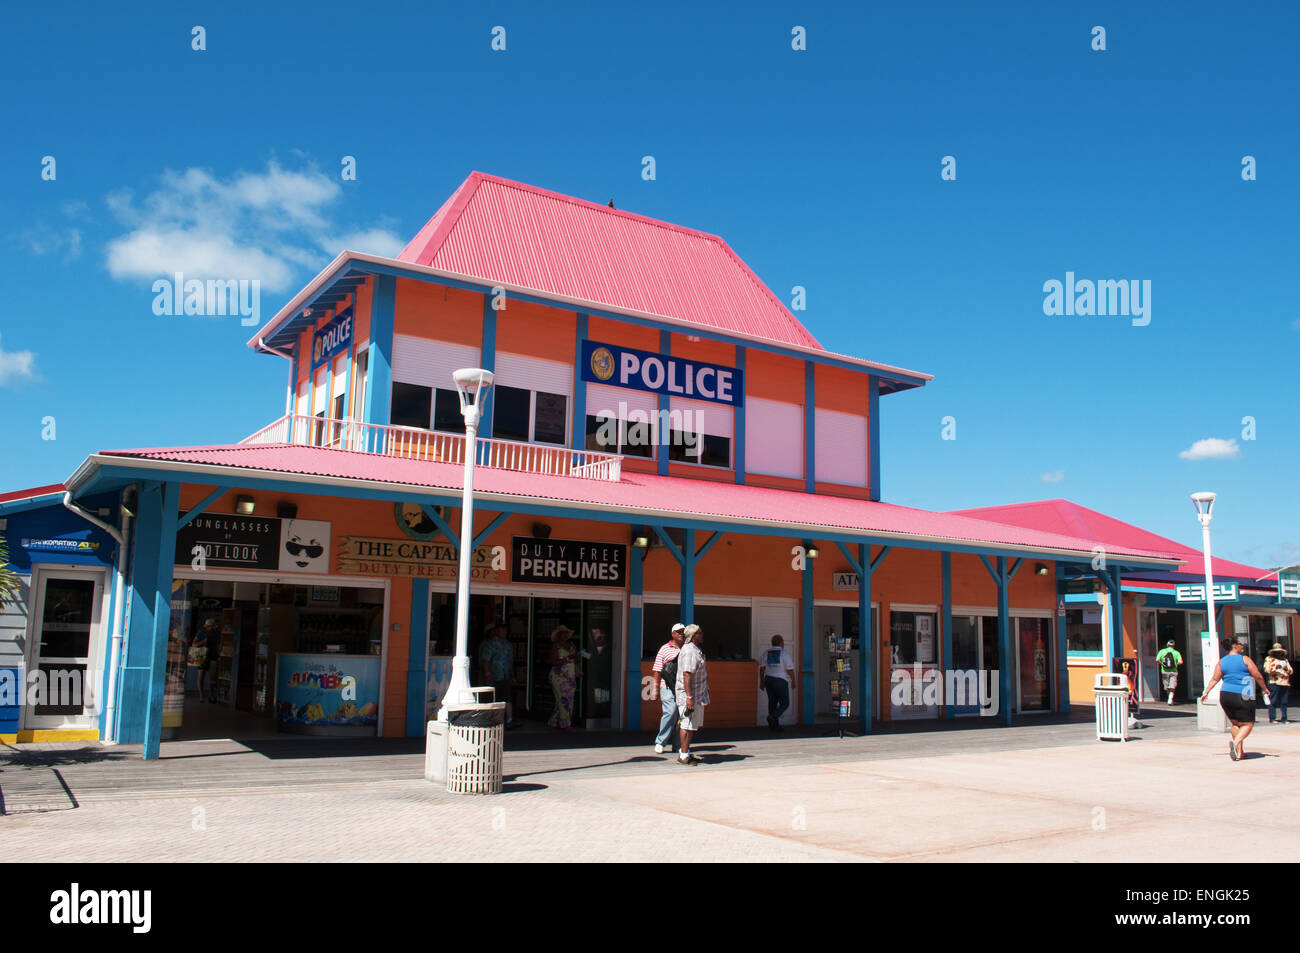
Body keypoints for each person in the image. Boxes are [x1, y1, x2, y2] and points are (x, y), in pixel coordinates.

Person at [1201, 638, 1270, 761]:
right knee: (1248, 723)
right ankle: (1236, 742)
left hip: (1226, 695)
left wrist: (1206, 692)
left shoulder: (1222, 661)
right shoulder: (1244, 659)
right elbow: (1258, 676)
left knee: (1236, 723)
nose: (1241, 645)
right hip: (1244, 694)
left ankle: (1240, 752)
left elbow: (1215, 679)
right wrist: (1264, 689)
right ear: (1234, 646)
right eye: (1239, 643)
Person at [675, 624, 708, 765]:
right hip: (689, 696)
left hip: (697, 695)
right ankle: (683, 756)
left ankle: (686, 752)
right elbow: (687, 674)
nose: (702, 634)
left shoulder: (695, 650)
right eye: (699, 633)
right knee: (686, 725)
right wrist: (689, 698)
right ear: (693, 636)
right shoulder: (689, 651)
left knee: (691, 725)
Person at [651, 623, 685, 753]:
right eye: (678, 632)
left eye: (683, 632)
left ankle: (678, 745)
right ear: (672, 634)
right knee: (670, 712)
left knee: (681, 716)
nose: (681, 634)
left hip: (682, 687)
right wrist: (655, 689)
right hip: (667, 686)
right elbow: (657, 670)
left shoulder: (687, 648)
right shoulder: (664, 649)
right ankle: (661, 741)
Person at [480, 624, 515, 726]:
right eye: (502, 630)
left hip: (505, 675)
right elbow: (486, 661)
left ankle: (509, 719)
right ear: (496, 631)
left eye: (505, 630)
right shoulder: (490, 645)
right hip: (494, 675)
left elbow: (510, 661)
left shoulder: (508, 645)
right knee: (494, 698)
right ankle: (494, 720)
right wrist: (487, 674)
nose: (504, 632)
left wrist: (512, 675)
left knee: (507, 698)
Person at [759, 634, 795, 731]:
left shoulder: (766, 653)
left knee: (772, 703)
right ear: (781, 643)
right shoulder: (784, 653)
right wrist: (793, 681)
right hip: (780, 681)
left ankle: (774, 726)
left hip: (769, 680)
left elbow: (762, 669)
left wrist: (762, 682)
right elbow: (790, 670)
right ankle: (773, 716)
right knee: (785, 703)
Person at [548, 626, 578, 731]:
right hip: (558, 677)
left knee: (568, 699)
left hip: (570, 676)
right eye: (562, 633)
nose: (564, 635)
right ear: (558, 635)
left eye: (566, 633)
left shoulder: (571, 645)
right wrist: (566, 659)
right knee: (563, 699)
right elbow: (553, 662)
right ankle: (566, 724)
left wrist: (578, 658)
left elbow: (576, 659)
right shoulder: (555, 646)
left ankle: (554, 721)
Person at [188, 618, 219, 703]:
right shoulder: (201, 633)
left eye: (213, 627)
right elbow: (194, 644)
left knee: (212, 678)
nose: (212, 628)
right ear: (207, 627)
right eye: (210, 627)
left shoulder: (215, 634)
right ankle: (201, 696)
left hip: (212, 655)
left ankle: (211, 695)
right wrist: (203, 641)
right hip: (201, 655)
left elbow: (216, 644)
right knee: (201, 676)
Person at [1264, 643, 1292, 724]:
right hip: (1274, 682)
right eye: (1276, 652)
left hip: (1285, 683)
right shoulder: (1269, 659)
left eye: (1280, 652)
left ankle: (1284, 718)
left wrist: (1286, 669)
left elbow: (1291, 670)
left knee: (1284, 702)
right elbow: (1266, 669)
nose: (1278, 653)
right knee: (1273, 701)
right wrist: (1275, 669)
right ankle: (1272, 718)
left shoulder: (1285, 660)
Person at [1155, 640, 1183, 705]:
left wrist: (1162, 664)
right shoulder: (1176, 652)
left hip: (1164, 671)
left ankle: (1169, 698)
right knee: (1172, 686)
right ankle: (1170, 698)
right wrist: (1176, 664)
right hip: (1174, 671)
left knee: (1167, 687)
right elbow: (1180, 662)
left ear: (1167, 645)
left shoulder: (1162, 651)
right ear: (1173, 646)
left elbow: (1157, 659)